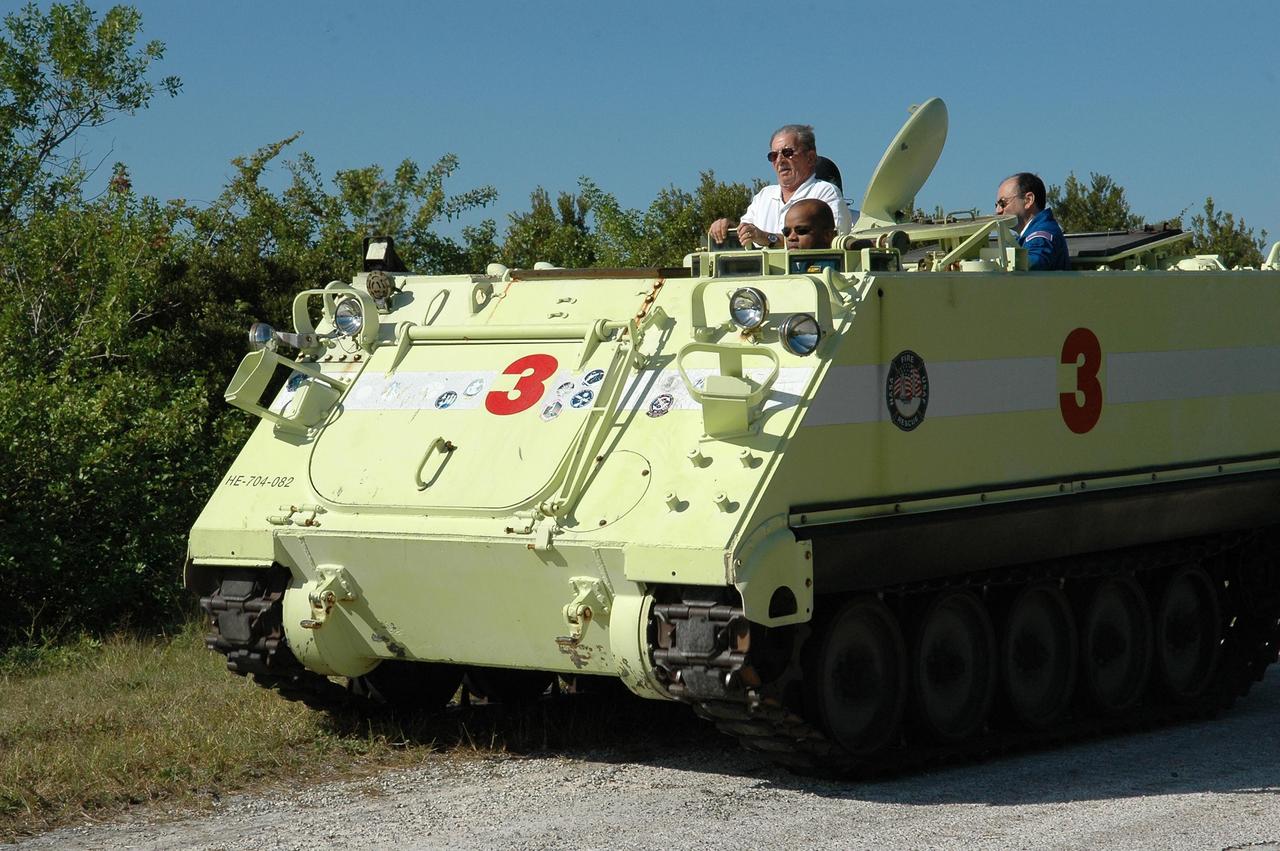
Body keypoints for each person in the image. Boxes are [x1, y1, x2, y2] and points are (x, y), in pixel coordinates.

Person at [709, 124, 852, 248]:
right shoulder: (763, 196)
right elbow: (747, 235)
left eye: (787, 153)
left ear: (811, 158)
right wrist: (728, 229)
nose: (780, 160)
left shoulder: (825, 193)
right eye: (773, 156)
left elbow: (832, 241)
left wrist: (768, 238)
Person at [994, 172, 1069, 271]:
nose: (998, 211)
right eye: (997, 205)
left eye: (1003, 203)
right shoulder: (1026, 237)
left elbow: (1033, 262)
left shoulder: (1041, 235)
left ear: (1028, 200)